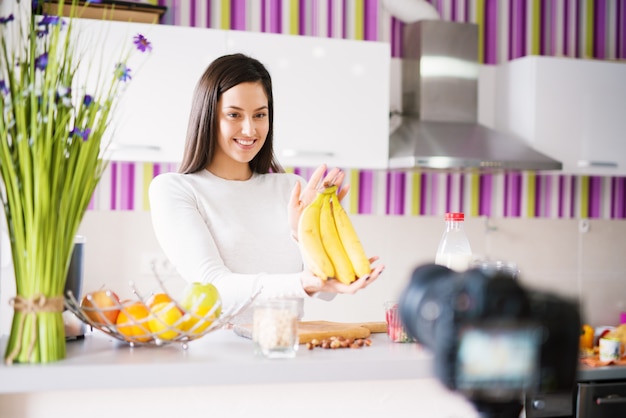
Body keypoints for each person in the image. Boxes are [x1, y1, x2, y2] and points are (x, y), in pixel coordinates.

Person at [148, 53, 384, 317]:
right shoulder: (174, 189)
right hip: (216, 355)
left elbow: (327, 291)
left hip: (284, 350)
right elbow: (213, 287)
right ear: (208, 116)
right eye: (234, 115)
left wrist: (302, 233)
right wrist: (301, 283)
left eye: (259, 115)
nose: (250, 130)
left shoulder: (292, 189)